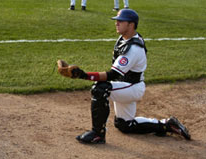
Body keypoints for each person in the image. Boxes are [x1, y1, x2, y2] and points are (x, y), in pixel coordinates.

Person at [64, 9, 191, 144]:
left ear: (131, 25)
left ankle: (97, 134)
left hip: (132, 88)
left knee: (100, 89)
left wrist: (83, 75)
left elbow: (112, 74)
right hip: (124, 85)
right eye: (117, 21)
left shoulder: (134, 49)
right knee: (124, 125)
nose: (116, 23)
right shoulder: (125, 38)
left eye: (120, 21)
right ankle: (166, 125)